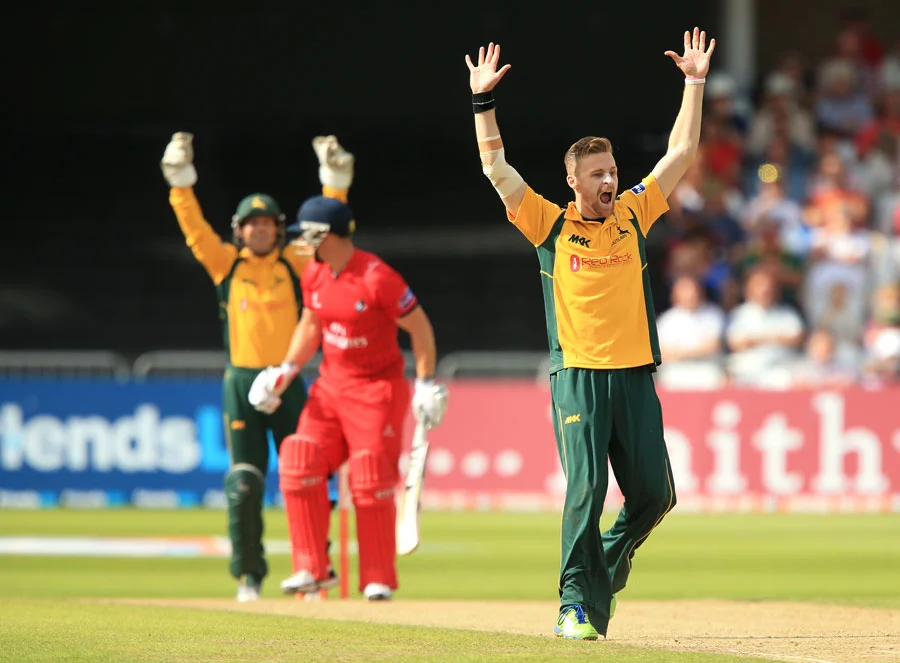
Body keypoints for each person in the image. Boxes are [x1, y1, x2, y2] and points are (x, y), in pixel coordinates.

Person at [464, 29, 715, 639]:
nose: (609, 180)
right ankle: (574, 605)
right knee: (587, 489)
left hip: (633, 376)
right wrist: (482, 102)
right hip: (577, 375)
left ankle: (598, 568)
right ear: (573, 181)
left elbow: (681, 152)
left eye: (613, 171)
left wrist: (695, 83)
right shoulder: (548, 224)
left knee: (656, 495)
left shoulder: (634, 212)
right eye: (597, 173)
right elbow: (495, 168)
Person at [160, 132, 354, 602]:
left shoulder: (294, 263)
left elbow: (326, 231)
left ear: (278, 228)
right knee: (244, 483)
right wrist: (180, 182)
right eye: (252, 224)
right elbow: (194, 230)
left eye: (267, 223)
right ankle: (249, 576)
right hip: (242, 382)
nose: (260, 230)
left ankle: (313, 569)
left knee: (305, 476)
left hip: (288, 380)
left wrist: (334, 182)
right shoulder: (226, 265)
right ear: (240, 230)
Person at [247, 183, 449, 601]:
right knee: (298, 457)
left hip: (377, 389)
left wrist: (426, 382)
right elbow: (311, 323)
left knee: (370, 473)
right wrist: (285, 369)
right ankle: (311, 568)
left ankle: (378, 577)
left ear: (324, 235)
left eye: (306, 235)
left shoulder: (377, 277)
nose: (301, 243)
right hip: (330, 388)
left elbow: (421, 329)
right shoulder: (315, 273)